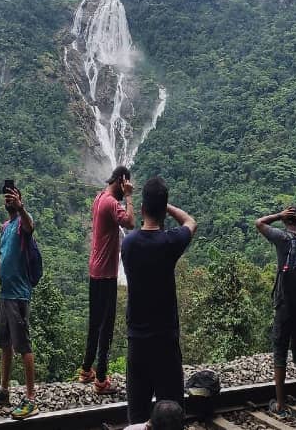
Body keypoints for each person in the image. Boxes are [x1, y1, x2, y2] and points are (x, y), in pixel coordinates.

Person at [121, 177, 196, 425]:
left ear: (142, 210)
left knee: (138, 412)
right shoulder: (170, 242)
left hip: (137, 341)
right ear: (164, 211)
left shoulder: (128, 244)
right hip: (166, 340)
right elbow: (190, 222)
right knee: (172, 411)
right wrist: (168, 208)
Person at [0, 184, 38, 420]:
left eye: (12, 197)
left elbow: (30, 226)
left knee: (23, 346)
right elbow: (4, 257)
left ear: (20, 199)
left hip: (18, 295)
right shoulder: (6, 228)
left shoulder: (22, 224)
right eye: (6, 198)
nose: (9, 201)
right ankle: (4, 390)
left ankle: (31, 398)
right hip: (5, 294)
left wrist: (21, 208)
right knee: (4, 343)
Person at [256, 206, 296, 419]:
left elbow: (259, 223)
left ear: (286, 221)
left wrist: (277, 215)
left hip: (284, 305)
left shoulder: (281, 238)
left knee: (280, 352)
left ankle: (280, 403)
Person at [80, 166, 135, 393]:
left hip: (95, 269)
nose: (127, 189)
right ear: (122, 181)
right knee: (107, 326)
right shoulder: (112, 203)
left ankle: (86, 370)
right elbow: (131, 223)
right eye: (127, 185)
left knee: (95, 322)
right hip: (106, 273)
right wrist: (130, 197)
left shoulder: (99, 197)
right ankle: (101, 380)